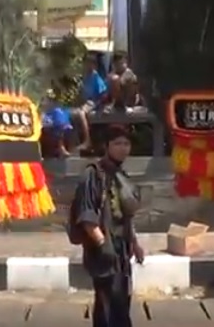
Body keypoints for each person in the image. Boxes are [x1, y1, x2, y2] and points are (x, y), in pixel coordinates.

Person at [73, 125, 144, 327]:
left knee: (121, 303)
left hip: (122, 248)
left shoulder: (121, 175)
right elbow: (87, 217)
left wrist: (135, 244)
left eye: (126, 143)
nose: (123, 148)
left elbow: (126, 215)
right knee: (108, 306)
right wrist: (103, 244)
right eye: (117, 143)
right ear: (106, 146)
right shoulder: (93, 174)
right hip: (105, 249)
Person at [75, 55, 107, 150]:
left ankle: (87, 140)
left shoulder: (96, 77)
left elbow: (103, 94)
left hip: (93, 102)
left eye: (90, 63)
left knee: (81, 113)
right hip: (81, 101)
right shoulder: (82, 76)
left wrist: (101, 106)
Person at [41, 88, 73, 157]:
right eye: (47, 99)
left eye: (51, 100)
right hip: (45, 135)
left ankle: (61, 148)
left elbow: (64, 124)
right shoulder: (42, 113)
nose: (49, 102)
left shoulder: (58, 111)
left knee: (60, 128)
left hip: (57, 134)